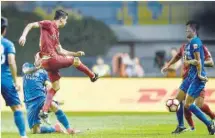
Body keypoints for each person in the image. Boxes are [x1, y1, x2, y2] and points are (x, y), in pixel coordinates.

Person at [19, 9, 99, 121]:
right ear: (61, 19)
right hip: (51, 59)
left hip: (47, 63)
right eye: (65, 20)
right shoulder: (49, 23)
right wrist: (23, 36)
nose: (66, 22)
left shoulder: (56, 32)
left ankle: (44, 111)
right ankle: (92, 76)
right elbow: (30, 25)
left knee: (56, 86)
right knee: (75, 61)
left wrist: (75, 53)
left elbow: (60, 50)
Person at [162, 20, 215, 135]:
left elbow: (210, 62)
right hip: (188, 78)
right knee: (178, 100)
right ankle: (181, 126)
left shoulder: (200, 46)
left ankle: (210, 121)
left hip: (197, 78)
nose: (186, 30)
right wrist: (168, 65)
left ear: (194, 30)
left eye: (188, 29)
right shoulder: (184, 47)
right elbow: (177, 56)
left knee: (195, 105)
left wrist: (197, 63)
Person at [22, 62, 80, 134]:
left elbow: (48, 84)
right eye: (38, 58)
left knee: (53, 106)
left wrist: (50, 97)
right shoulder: (27, 65)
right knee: (36, 131)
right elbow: (25, 70)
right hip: (29, 103)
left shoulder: (44, 72)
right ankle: (55, 129)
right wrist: (38, 68)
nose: (39, 60)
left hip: (41, 98)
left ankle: (69, 129)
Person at [1, 17, 28, 138]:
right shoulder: (8, 44)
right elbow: (11, 62)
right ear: (4, 30)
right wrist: (15, 80)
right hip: (5, 78)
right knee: (17, 107)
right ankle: (23, 136)